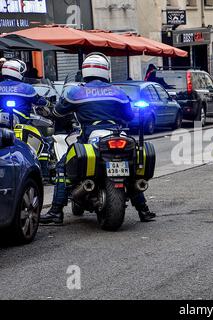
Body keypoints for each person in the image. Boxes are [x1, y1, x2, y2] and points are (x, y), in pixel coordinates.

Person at [41, 53, 155, 225]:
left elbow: (58, 112)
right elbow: (130, 116)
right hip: (117, 134)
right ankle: (144, 210)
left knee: (62, 166)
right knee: (128, 170)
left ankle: (56, 211)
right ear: (105, 71)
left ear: (85, 71)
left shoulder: (76, 92)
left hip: (91, 136)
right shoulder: (118, 92)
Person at [0, 59, 49, 124]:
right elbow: (38, 100)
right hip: (23, 122)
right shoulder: (26, 87)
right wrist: (48, 103)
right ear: (17, 72)